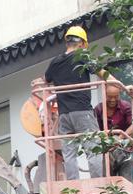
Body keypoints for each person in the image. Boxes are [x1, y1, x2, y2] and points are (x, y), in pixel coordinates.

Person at [44, 25, 106, 180]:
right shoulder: (82, 56)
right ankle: (98, 184)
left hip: (64, 114)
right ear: (82, 43)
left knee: (69, 152)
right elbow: (103, 73)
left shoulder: (55, 62)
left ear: (67, 42)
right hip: (82, 112)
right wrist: (124, 87)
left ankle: (73, 184)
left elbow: (46, 80)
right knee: (93, 149)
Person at [94, 83, 133, 180]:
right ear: (104, 95)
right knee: (108, 181)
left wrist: (119, 139)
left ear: (119, 95)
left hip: (124, 146)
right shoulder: (98, 109)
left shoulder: (125, 106)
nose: (113, 100)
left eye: (115, 96)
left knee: (125, 181)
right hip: (106, 148)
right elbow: (95, 129)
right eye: (110, 97)